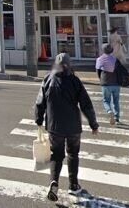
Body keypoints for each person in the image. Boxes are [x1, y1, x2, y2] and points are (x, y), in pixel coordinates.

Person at [35, 53, 99, 201]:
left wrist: (38, 119)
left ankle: (54, 182)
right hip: (73, 127)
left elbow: (40, 102)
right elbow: (86, 104)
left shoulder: (48, 79)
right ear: (69, 65)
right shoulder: (75, 81)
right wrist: (93, 124)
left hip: (54, 126)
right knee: (73, 154)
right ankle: (73, 185)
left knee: (56, 155)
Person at [95, 44, 121, 125]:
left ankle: (109, 111)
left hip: (106, 82)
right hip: (116, 83)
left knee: (106, 100)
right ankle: (117, 118)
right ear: (111, 50)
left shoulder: (100, 59)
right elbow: (119, 71)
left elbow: (98, 71)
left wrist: (101, 79)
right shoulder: (115, 59)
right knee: (116, 101)